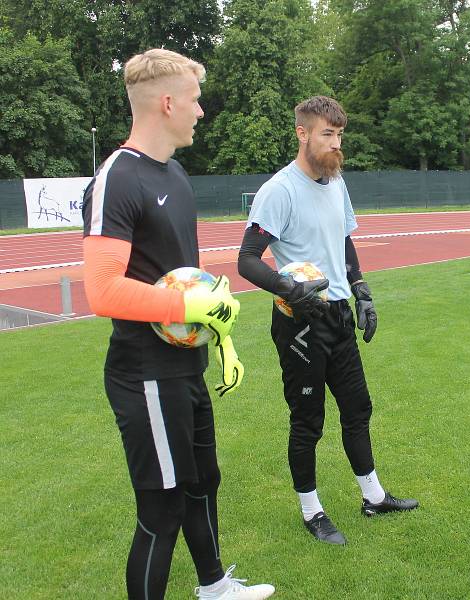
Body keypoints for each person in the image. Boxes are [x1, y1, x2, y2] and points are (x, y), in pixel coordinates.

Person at [81, 48, 274, 600]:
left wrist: (223, 340)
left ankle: (213, 586)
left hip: (185, 367)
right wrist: (192, 311)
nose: (201, 110)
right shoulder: (117, 178)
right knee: (160, 510)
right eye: (194, 99)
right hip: (144, 375)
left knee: (202, 485)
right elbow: (101, 291)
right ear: (167, 102)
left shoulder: (176, 172)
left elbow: (184, 282)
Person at [237, 96, 418, 545]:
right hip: (299, 322)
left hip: (337, 316)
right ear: (302, 134)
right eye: (327, 134)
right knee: (308, 421)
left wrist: (362, 293)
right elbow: (246, 261)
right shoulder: (279, 190)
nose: (336, 143)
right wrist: (291, 290)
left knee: (358, 409)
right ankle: (311, 510)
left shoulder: (337, 182)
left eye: (339, 135)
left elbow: (344, 241)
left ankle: (373, 497)